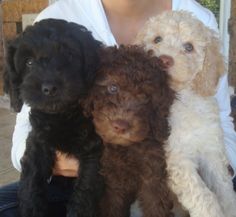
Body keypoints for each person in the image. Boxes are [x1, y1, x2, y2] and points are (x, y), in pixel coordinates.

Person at [1, 0, 236, 216]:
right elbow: (25, 138)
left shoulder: (198, 17)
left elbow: (222, 122)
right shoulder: (59, 14)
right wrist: (73, 164)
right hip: (75, 177)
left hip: (166, 176)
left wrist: (215, 176)